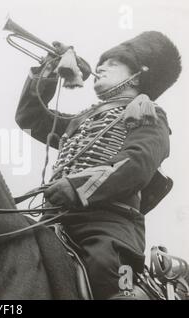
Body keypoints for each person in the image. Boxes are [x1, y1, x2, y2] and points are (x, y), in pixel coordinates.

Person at [15, 31, 181, 299]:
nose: (101, 66)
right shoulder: (81, 120)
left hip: (107, 223)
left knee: (107, 270)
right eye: (102, 62)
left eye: (113, 63)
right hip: (54, 218)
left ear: (138, 75)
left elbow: (137, 163)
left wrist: (77, 186)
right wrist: (49, 68)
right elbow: (30, 117)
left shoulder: (148, 114)